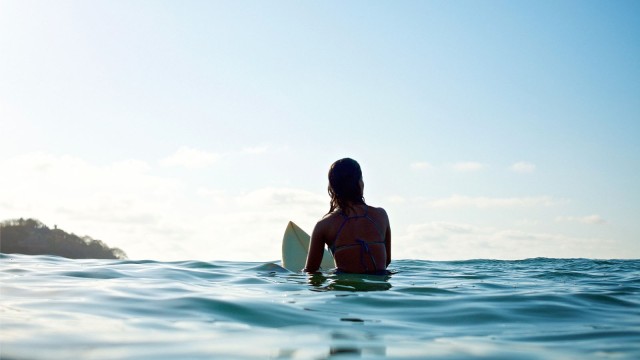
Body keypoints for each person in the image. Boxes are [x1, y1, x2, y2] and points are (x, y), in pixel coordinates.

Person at [304, 158, 391, 274]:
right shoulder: (381, 215)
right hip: (378, 285)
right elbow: (387, 261)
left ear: (332, 188)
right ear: (360, 183)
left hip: (344, 288)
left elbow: (311, 272)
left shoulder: (324, 225)